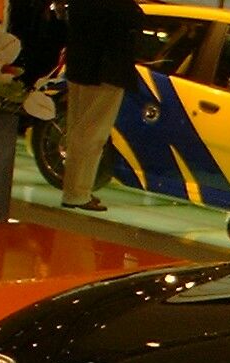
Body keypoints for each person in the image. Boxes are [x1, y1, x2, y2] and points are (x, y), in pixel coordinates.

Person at [61, 0, 144, 212]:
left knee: (79, 131)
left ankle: (77, 190)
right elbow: (130, 19)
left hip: (82, 68)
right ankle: (77, 193)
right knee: (92, 134)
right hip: (104, 72)